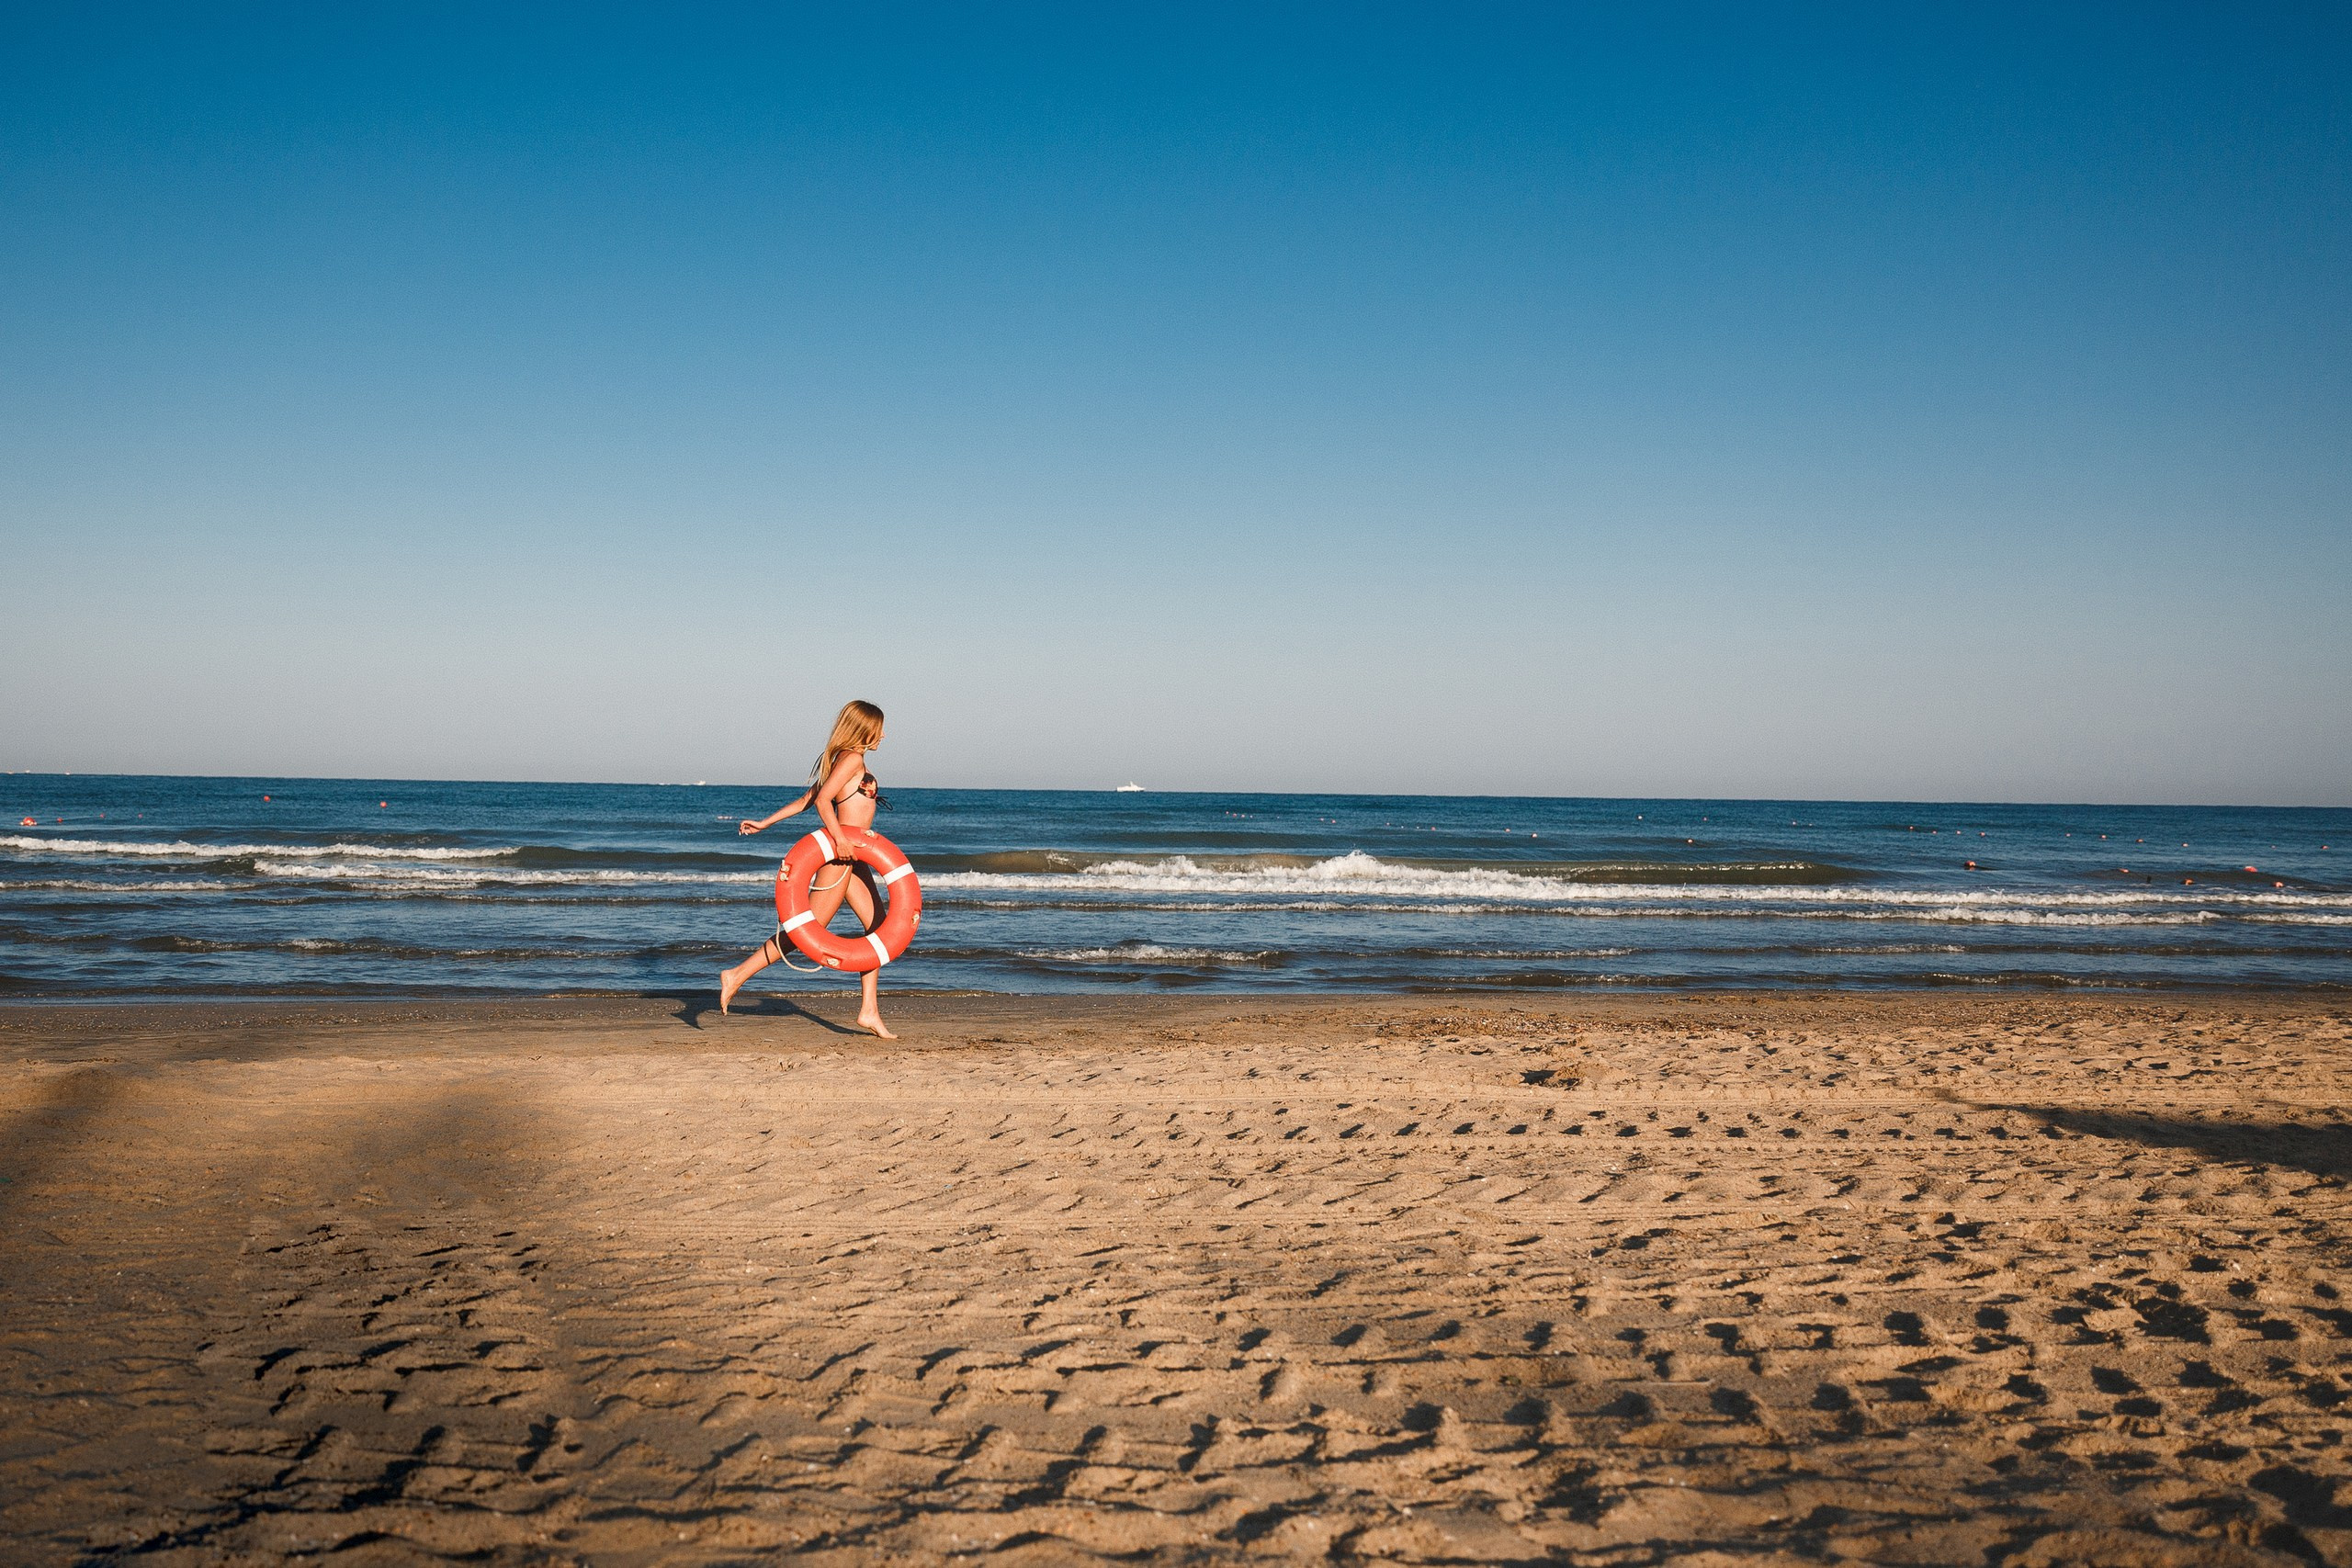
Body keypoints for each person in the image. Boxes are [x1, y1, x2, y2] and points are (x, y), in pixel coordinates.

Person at [719, 699, 897, 1036]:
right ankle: (737, 974)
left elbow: (804, 800)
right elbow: (820, 801)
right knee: (804, 935)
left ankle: (869, 1010)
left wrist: (764, 822)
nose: (884, 735)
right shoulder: (852, 759)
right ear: (864, 728)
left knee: (878, 928)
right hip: (839, 858)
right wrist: (838, 839)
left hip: (856, 860)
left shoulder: (845, 759)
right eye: (879, 729)